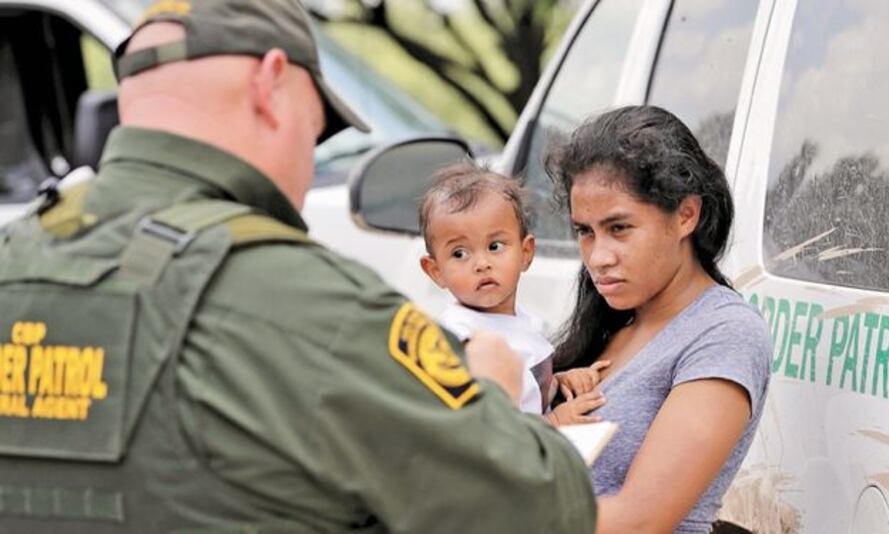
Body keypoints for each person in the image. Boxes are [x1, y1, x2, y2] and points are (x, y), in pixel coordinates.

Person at [0, 1, 596, 532]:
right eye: (315, 134)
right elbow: (542, 507)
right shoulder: (305, 300)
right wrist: (492, 392)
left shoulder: (14, 260)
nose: (307, 169)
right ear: (271, 83)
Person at [544, 105, 772, 533]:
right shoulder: (611, 324)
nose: (598, 257)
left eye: (620, 228)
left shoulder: (724, 333)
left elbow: (642, 520)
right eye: (585, 232)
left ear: (686, 215)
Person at [418, 163, 610, 424]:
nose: (481, 263)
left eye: (495, 246)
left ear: (526, 253)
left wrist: (559, 381)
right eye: (459, 253)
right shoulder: (462, 339)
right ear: (435, 271)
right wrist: (554, 422)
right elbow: (488, 428)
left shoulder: (524, 322)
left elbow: (526, 391)